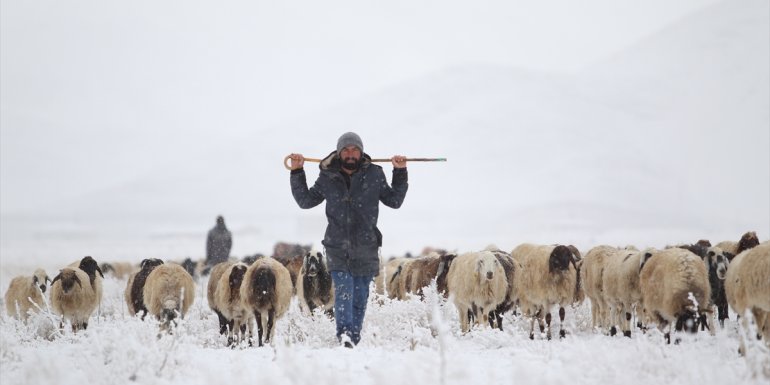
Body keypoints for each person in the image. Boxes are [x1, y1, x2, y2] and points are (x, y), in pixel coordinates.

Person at [289, 132, 408, 347]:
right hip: (337, 247)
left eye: (355, 150)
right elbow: (305, 201)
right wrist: (297, 172)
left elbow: (395, 201)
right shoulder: (328, 176)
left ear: (361, 153)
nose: (350, 153)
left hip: (367, 246)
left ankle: (353, 338)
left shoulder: (374, 174)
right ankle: (345, 338)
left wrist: (400, 172)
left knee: (360, 297)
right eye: (346, 150)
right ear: (339, 153)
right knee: (344, 292)